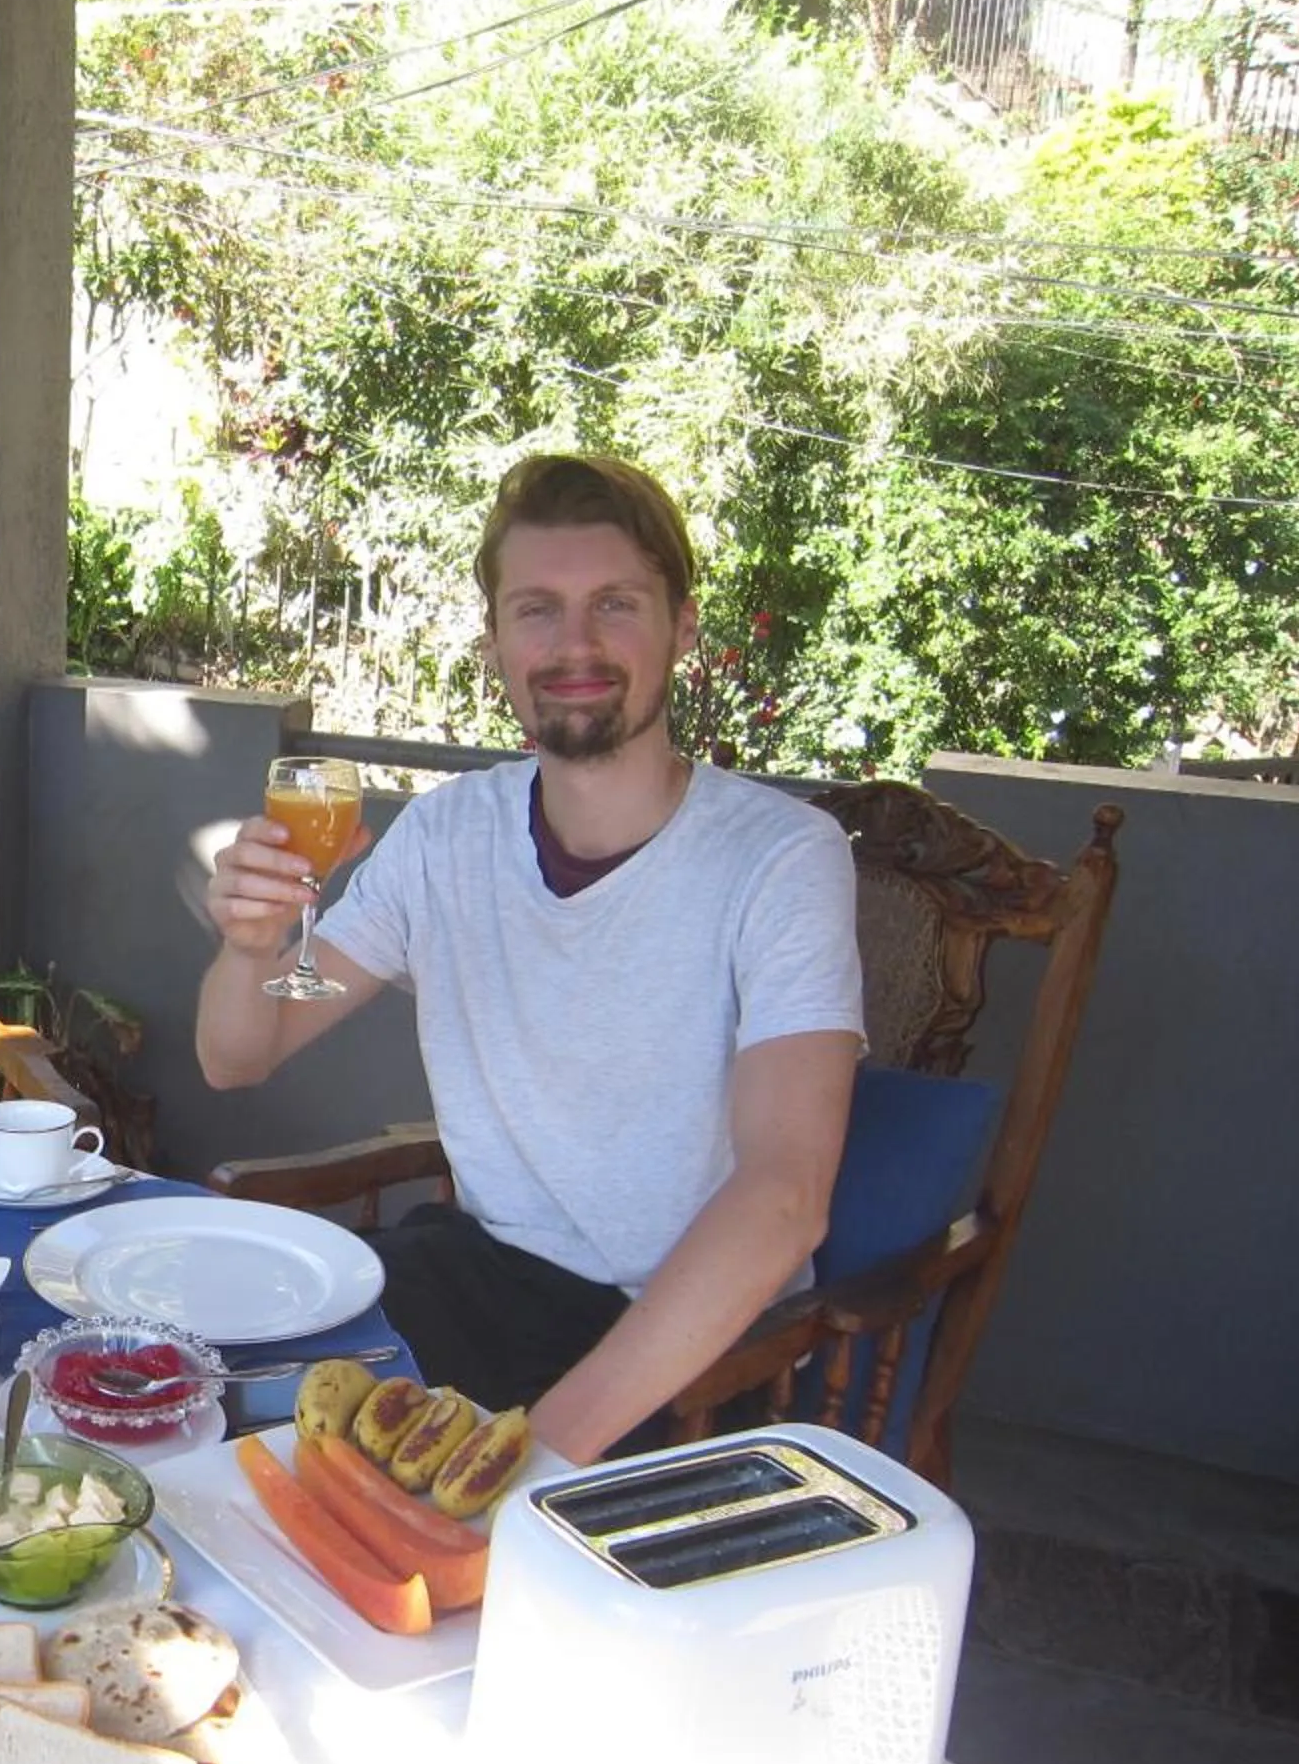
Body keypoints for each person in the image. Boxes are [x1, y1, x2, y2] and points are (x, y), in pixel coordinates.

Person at [194, 453, 865, 1468]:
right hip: (479, 1282)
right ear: (498, 640)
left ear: (682, 627)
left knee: (445, 1562)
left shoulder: (778, 858)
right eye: (538, 610)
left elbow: (783, 1194)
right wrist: (251, 952)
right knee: (193, 1406)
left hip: (676, 1341)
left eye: (617, 605)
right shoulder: (444, 838)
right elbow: (246, 1049)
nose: (576, 645)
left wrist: (535, 1454)